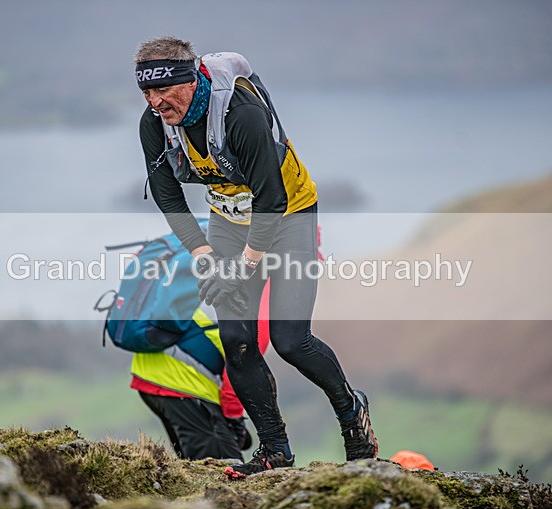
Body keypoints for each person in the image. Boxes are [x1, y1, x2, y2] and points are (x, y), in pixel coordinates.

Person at [134, 36, 378, 479]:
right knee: (237, 341)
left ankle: (350, 412)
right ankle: (275, 451)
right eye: (146, 93)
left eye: (163, 90)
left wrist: (243, 268)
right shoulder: (155, 123)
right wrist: (206, 256)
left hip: (288, 215)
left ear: (189, 81)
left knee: (290, 341)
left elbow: (271, 199)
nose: (155, 102)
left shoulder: (241, 116)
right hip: (228, 220)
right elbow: (168, 196)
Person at [129, 298, 264, 461]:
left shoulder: (232, 278)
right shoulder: (264, 303)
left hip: (150, 371)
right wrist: (233, 417)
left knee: (192, 468)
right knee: (223, 471)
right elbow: (241, 368)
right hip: (185, 383)